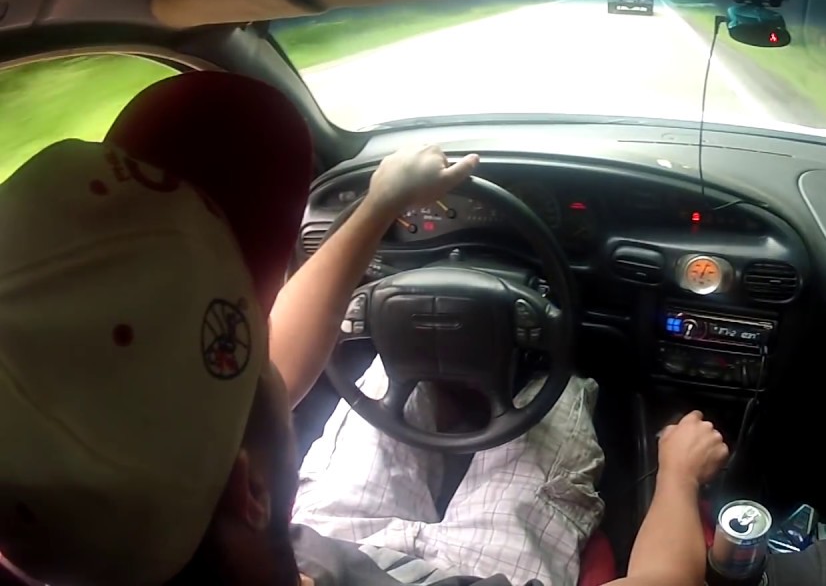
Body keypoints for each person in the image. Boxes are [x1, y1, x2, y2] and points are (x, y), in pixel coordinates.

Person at [0, 73, 729, 586]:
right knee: (553, 397)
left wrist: (379, 205)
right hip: (462, 567)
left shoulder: (69, 551)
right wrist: (677, 472)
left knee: (381, 389)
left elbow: (269, 380)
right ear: (249, 487)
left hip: (324, 539)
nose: (268, 367)